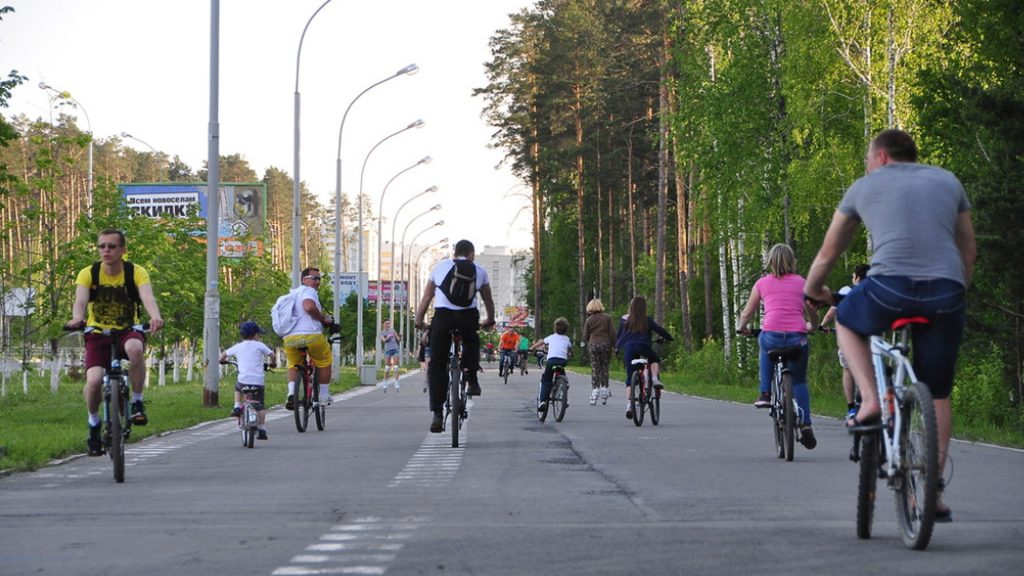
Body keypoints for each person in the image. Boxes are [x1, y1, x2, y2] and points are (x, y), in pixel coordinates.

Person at [805, 129, 976, 522]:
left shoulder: (865, 185)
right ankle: (932, 494)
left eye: (868, 158)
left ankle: (868, 400)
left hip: (889, 290)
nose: (867, 165)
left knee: (847, 319)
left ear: (880, 157)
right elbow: (969, 250)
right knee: (937, 393)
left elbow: (831, 251)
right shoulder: (948, 181)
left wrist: (815, 290)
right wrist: (955, 293)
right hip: (946, 292)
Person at [67, 229, 164, 456]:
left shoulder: (135, 272)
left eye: (111, 246)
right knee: (93, 381)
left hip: (127, 330)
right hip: (97, 333)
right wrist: (77, 318)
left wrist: (155, 316)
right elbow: (80, 300)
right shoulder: (88, 273)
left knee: (136, 349)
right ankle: (93, 423)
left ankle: (138, 402)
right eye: (102, 246)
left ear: (122, 250)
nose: (106, 251)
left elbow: (147, 297)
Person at [737, 243, 820, 450]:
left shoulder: (762, 283)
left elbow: (748, 312)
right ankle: (806, 424)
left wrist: (742, 327)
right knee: (799, 381)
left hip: (771, 336)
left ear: (770, 262)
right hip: (797, 338)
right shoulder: (803, 283)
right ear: (792, 261)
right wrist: (813, 326)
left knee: (763, 344)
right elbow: (812, 311)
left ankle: (765, 393)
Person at [414, 239, 496, 433]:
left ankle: (437, 413)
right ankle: (472, 379)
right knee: (471, 341)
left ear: (454, 253)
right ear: (471, 254)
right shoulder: (479, 270)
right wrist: (490, 320)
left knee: (437, 364)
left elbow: (427, 297)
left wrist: (419, 320)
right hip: (468, 318)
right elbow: (488, 299)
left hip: (443, 318)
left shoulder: (439, 268)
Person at [820, 264, 870, 419]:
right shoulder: (875, 291)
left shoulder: (847, 290)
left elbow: (831, 313)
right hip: (870, 335)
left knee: (848, 369)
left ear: (857, 277)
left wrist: (822, 325)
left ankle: (851, 408)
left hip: (849, 336)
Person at [281, 267, 336, 410]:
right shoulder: (308, 291)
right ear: (304, 280)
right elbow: (309, 307)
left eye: (319, 279)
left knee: (293, 364)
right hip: (311, 336)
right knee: (324, 360)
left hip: (290, 338)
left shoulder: (291, 294)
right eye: (315, 278)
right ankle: (324, 395)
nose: (318, 282)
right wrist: (323, 319)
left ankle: (292, 393)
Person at [616, 296, 673, 420]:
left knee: (630, 378)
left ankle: (629, 405)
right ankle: (654, 378)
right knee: (654, 359)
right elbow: (660, 330)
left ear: (631, 306)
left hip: (629, 349)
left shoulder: (624, 320)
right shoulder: (647, 320)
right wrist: (669, 338)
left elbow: (619, 336)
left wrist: (617, 348)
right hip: (643, 346)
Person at [220, 321, 276, 440]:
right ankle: (262, 428)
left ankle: (236, 405)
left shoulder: (238, 346)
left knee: (237, 386)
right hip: (258, 381)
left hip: (243, 381)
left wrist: (222, 361)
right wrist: (273, 364)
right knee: (260, 406)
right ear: (255, 335)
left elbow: (223, 356)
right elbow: (273, 355)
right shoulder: (260, 345)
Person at [529, 317, 571, 414]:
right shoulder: (567, 339)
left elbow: (541, 342)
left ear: (555, 328)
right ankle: (564, 391)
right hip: (562, 361)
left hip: (551, 361)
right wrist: (569, 353)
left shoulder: (551, 337)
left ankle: (543, 401)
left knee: (546, 380)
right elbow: (569, 350)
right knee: (562, 373)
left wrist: (532, 348)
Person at [582, 298, 615, 406]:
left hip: (594, 345)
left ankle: (595, 390)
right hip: (606, 345)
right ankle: (605, 390)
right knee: (605, 366)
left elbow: (585, 336)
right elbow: (612, 333)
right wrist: (615, 345)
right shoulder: (608, 318)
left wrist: (587, 341)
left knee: (595, 367)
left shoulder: (589, 320)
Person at [379, 318, 402, 393]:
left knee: (396, 367)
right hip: (387, 350)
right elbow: (384, 340)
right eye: (386, 323)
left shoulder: (393, 330)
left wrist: (400, 336)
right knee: (387, 367)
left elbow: (398, 339)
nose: (387, 325)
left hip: (395, 349)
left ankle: (397, 383)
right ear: (383, 324)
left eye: (388, 323)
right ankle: (385, 382)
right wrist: (388, 336)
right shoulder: (382, 332)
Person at [417, 322, 432, 393]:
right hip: (437, 348)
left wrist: (425, 343)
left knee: (427, 367)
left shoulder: (427, 330)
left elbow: (423, 340)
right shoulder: (438, 328)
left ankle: (426, 383)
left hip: (428, 349)